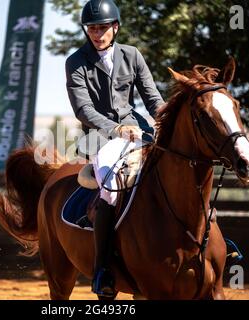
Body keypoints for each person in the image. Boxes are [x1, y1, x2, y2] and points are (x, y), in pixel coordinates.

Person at [65, 0, 166, 298]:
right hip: (100, 138)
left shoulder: (132, 56)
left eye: (102, 28)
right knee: (111, 185)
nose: (97, 34)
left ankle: (215, 243)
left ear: (115, 28)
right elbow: (83, 109)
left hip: (139, 133)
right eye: (92, 28)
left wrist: (167, 118)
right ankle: (103, 268)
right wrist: (116, 129)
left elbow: (152, 98)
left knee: (179, 167)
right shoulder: (76, 61)